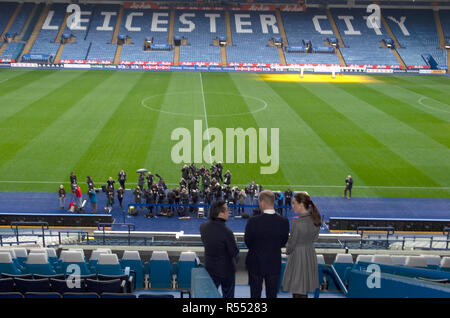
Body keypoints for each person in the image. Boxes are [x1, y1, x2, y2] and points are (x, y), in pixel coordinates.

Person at [244, 190, 289, 298]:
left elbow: (248, 241)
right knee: (272, 295)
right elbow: (283, 242)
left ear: (262, 202)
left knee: (255, 294)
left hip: (255, 263)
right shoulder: (284, 221)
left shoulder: (253, 221)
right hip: (274, 263)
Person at [282, 192, 321, 298]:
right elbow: (315, 238)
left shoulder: (297, 223)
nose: (292, 205)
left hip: (298, 256)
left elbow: (292, 244)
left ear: (301, 204)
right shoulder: (316, 220)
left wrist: (287, 251)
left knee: (298, 288)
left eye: (294, 203)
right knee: (304, 289)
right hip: (310, 254)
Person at [200, 200, 239, 298]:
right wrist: (234, 241)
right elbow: (234, 252)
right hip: (227, 271)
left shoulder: (203, 227)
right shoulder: (227, 232)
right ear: (221, 213)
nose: (228, 213)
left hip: (210, 268)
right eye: (227, 211)